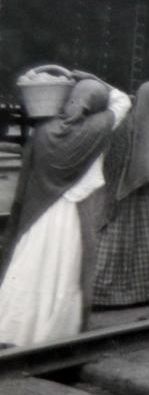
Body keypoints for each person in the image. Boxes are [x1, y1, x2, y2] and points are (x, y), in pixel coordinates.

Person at [0, 74, 131, 346]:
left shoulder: (43, 130)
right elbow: (123, 101)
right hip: (72, 216)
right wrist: (91, 78)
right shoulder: (97, 127)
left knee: (30, 263)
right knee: (63, 269)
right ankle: (52, 333)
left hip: (38, 214)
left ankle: (13, 327)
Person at [93, 82, 149, 307]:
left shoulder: (126, 122)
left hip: (118, 192)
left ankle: (102, 294)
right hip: (138, 197)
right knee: (138, 244)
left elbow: (111, 160)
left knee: (112, 240)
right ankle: (139, 292)